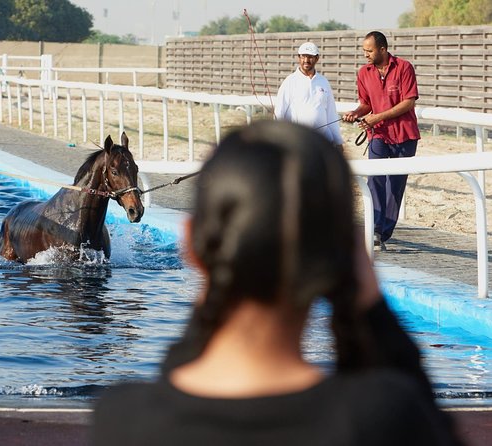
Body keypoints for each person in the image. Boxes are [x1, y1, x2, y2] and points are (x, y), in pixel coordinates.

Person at [93, 120, 462, 446]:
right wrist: (364, 303)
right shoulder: (387, 418)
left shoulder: (124, 420)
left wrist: (211, 286)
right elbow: (421, 411)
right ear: (345, 252)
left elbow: (176, 385)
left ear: (191, 244)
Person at [343, 31, 420, 249]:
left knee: (394, 186)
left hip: (404, 135)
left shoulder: (404, 67)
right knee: (374, 179)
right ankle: (375, 230)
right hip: (377, 134)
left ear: (383, 49)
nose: (365, 54)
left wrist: (378, 116)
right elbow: (366, 103)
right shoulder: (363, 73)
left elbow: (408, 103)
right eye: (364, 51)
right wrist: (357, 113)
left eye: (369, 50)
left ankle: (384, 232)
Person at [274, 41, 344, 150]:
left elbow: (331, 113)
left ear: (317, 58)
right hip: (298, 141)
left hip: (323, 140)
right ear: (299, 57)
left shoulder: (323, 82)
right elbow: (279, 112)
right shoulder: (290, 82)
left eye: (310, 57)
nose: (306, 60)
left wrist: (338, 141)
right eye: (303, 56)